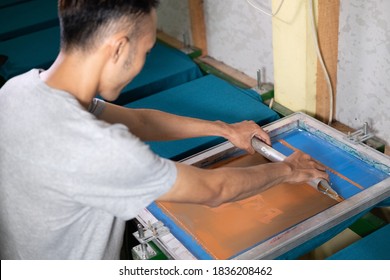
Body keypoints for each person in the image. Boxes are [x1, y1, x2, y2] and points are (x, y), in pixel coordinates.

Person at [0, 0, 328, 260]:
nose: (143, 61)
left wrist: (225, 130)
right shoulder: (98, 148)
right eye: (145, 51)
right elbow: (216, 190)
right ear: (117, 48)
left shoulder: (19, 89)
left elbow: (140, 121)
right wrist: (288, 169)